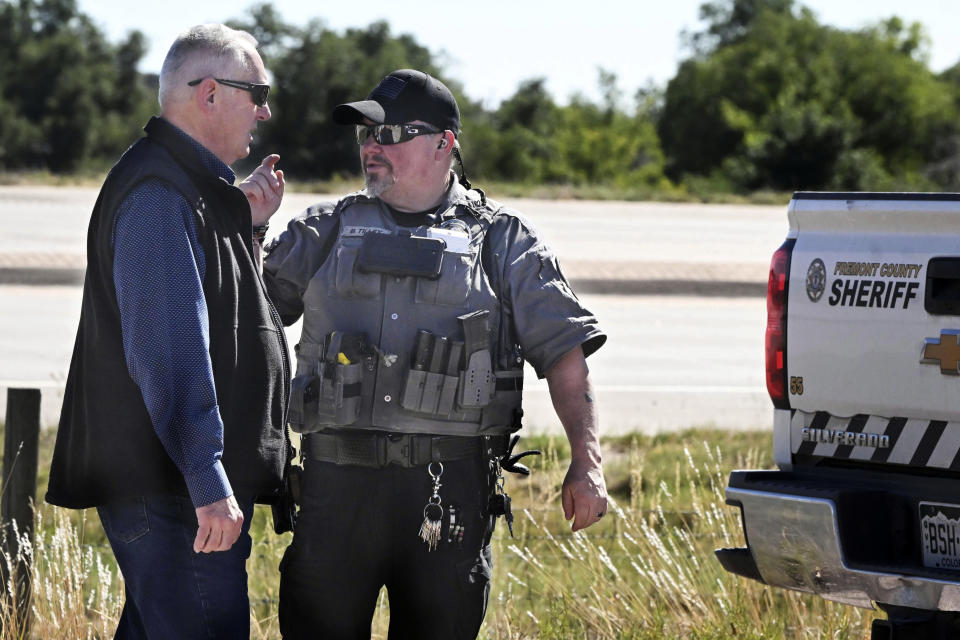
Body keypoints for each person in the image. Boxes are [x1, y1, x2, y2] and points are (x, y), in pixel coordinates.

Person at [263, 68, 608, 639]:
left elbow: (566, 356)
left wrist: (587, 464)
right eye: (365, 136)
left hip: (447, 497)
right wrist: (250, 228)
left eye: (390, 134)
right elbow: (247, 317)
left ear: (445, 142)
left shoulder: (502, 241)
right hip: (335, 492)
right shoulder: (323, 230)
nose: (373, 147)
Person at [45, 23, 287, 640]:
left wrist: (247, 226)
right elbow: (170, 353)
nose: (265, 110)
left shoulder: (194, 189)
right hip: (173, 490)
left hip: (172, 484)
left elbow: (231, 313)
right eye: (256, 92)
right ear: (209, 94)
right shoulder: (159, 195)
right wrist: (207, 480)